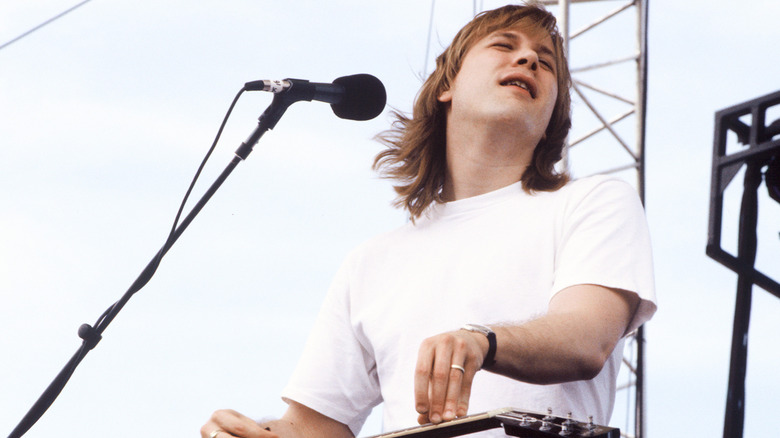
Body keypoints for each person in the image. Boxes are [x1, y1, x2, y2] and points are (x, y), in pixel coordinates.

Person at [201, 3, 656, 437]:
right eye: (504, 45)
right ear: (447, 86)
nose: (527, 58)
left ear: (553, 115)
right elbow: (316, 425)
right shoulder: (373, 260)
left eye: (546, 62)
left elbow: (586, 339)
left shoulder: (594, 202)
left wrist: (482, 341)